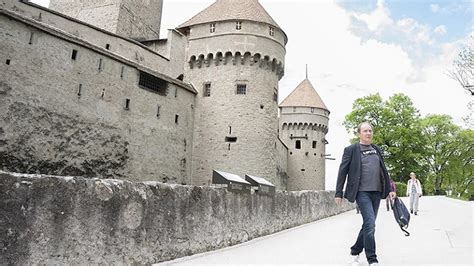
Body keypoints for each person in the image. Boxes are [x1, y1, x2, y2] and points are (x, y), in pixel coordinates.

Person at [335, 122, 396, 266]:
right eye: (365, 131)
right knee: (370, 223)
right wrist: (339, 192)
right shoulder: (351, 150)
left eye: (370, 131)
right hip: (361, 193)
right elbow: (342, 171)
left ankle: (355, 251)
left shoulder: (376, 149)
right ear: (359, 134)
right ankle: (372, 260)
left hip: (377, 192)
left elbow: (384, 170)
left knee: (369, 225)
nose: (368, 133)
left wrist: (390, 189)